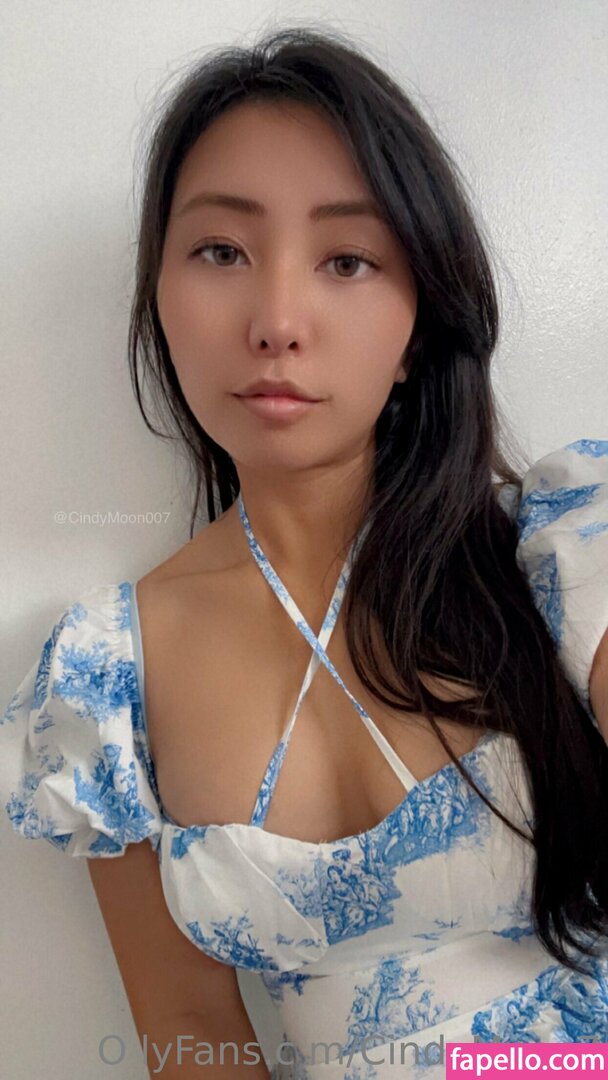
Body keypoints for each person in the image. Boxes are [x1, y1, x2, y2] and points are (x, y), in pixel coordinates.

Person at [1, 25, 607, 1079]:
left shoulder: (561, 549)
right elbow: (191, 1038)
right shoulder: (107, 678)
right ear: (158, 294)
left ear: (419, 321)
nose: (277, 321)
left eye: (346, 260)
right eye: (221, 252)